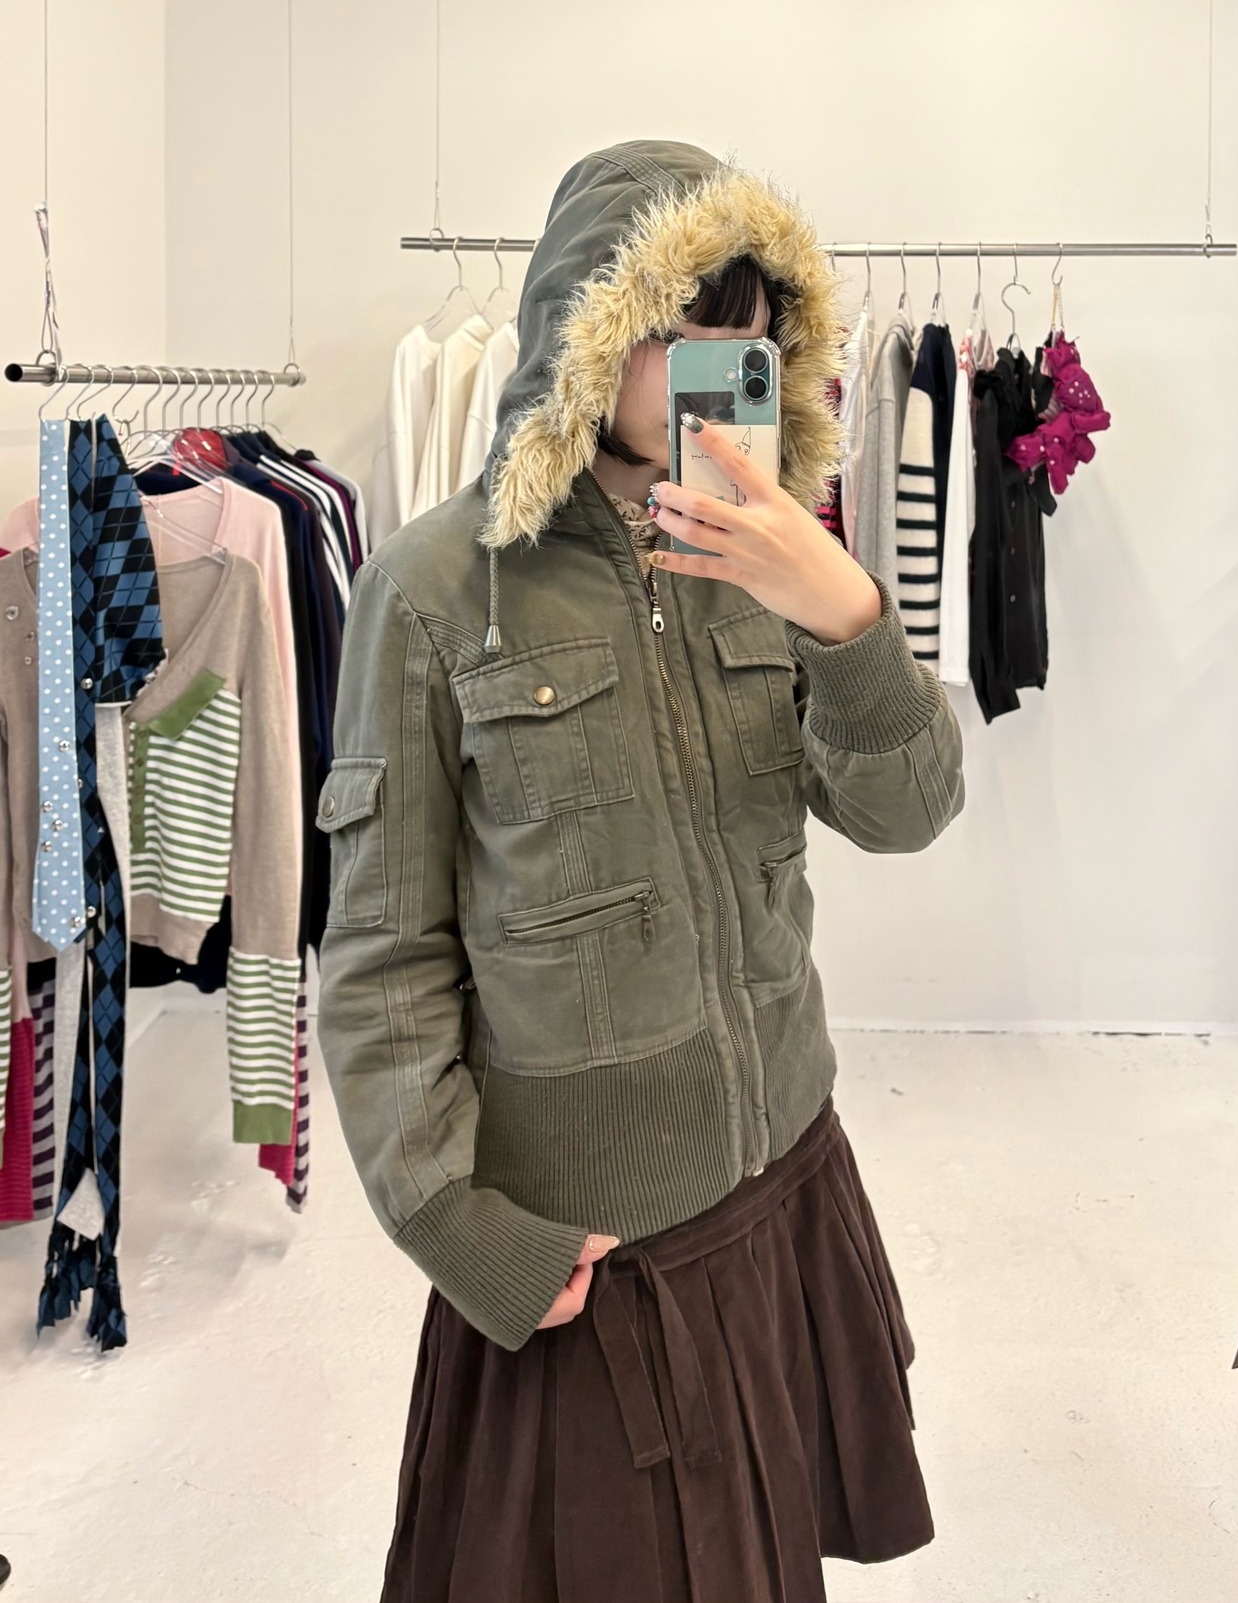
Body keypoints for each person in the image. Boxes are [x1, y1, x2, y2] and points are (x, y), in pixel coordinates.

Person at [316, 139, 966, 1603]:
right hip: (590, 1255)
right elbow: (379, 953)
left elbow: (910, 814)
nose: (716, 377)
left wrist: (847, 614)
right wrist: (455, 1222)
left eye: (749, 340)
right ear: (587, 329)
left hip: (784, 1181)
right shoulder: (433, 589)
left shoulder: (776, 563)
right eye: (681, 332)